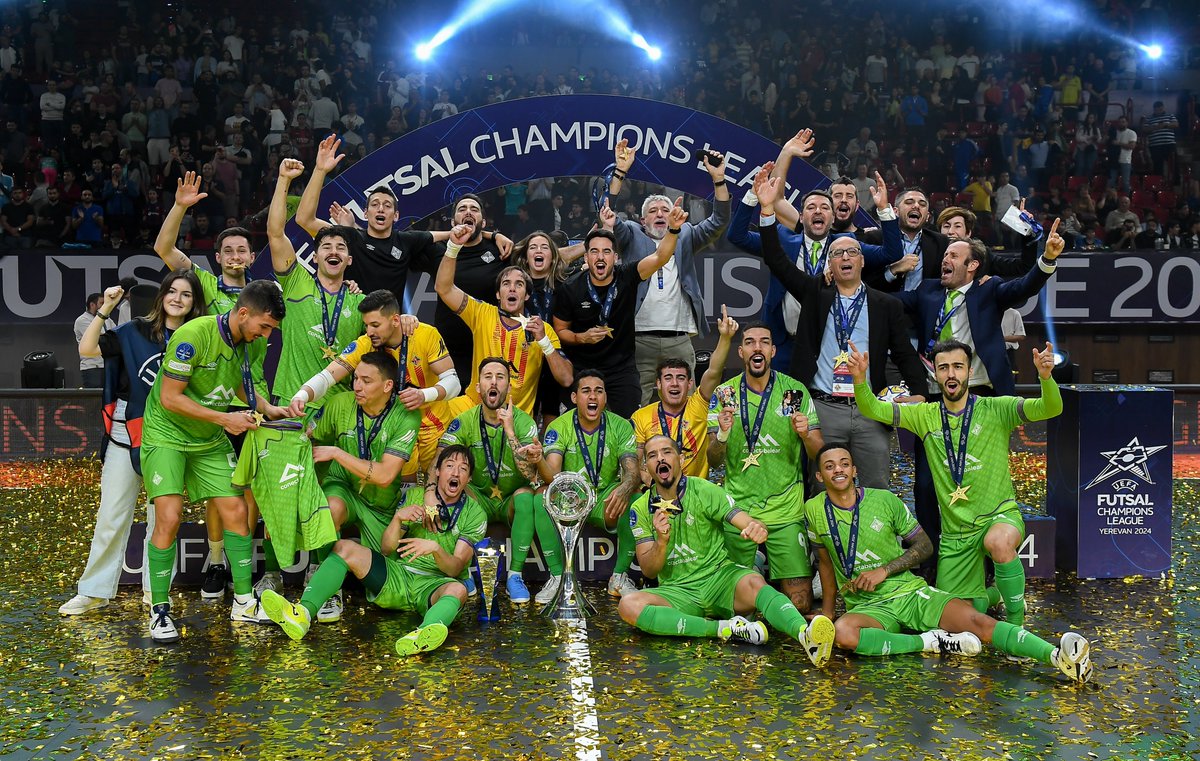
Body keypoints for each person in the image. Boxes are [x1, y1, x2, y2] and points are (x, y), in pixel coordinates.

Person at [805, 444, 1091, 682]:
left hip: (910, 593)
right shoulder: (814, 510)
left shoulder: (884, 500)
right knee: (843, 633)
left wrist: (884, 570)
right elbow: (825, 563)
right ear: (819, 475)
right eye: (830, 466)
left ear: (854, 470)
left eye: (844, 463)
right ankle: (931, 641)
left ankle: (1056, 656)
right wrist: (828, 612)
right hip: (867, 606)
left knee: (979, 621)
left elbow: (925, 545)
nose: (838, 469)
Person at [851, 339, 1064, 629]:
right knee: (959, 617)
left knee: (998, 543)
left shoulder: (996, 408)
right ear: (935, 375)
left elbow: (1050, 408)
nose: (951, 374)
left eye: (957, 367)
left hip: (997, 516)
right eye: (943, 368)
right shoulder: (923, 415)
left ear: (970, 371)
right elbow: (873, 409)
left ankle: (1016, 622)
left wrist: (1046, 377)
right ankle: (995, 595)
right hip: (955, 535)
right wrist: (860, 380)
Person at [754, 171, 927, 488]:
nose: (844, 257)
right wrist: (767, 212)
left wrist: (919, 393)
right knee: (821, 487)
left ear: (863, 261)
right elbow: (776, 260)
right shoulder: (813, 294)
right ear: (829, 265)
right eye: (836, 254)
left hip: (869, 407)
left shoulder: (885, 305)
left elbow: (904, 353)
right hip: (822, 408)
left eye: (852, 253)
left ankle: (875, 538)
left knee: (876, 486)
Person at [141, 280, 288, 643]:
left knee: (236, 511)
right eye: (264, 326)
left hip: (206, 439)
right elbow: (170, 397)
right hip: (167, 435)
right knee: (170, 517)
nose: (265, 335)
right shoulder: (194, 335)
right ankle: (160, 611)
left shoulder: (247, 343)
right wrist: (226, 419)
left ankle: (242, 601)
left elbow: (237, 383)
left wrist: (267, 408)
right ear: (242, 313)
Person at [59, 272, 206, 615]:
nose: (177, 298)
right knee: (111, 515)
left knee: (163, 520)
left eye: (186, 294)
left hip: (171, 439)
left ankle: (156, 595)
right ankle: (94, 590)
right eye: (172, 291)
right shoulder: (134, 330)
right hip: (127, 435)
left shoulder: (199, 337)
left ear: (193, 302)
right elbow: (87, 348)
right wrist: (106, 309)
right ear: (161, 296)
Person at [619, 435, 836, 667]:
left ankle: (806, 634)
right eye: (652, 455)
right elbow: (650, 571)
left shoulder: (704, 489)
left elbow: (745, 521)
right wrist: (661, 542)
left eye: (667, 452)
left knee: (754, 581)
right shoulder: (640, 508)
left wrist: (756, 529)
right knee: (628, 605)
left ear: (680, 459)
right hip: (678, 591)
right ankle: (725, 629)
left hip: (718, 580)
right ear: (646, 467)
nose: (660, 458)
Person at [260, 445, 484, 657]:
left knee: (457, 590)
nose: (456, 472)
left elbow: (455, 568)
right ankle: (303, 614)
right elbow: (387, 549)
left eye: (463, 469)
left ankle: (423, 634)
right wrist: (398, 519)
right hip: (398, 576)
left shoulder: (475, 514)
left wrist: (435, 549)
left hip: (434, 585)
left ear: (469, 478)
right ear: (437, 471)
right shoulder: (415, 496)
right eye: (450, 466)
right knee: (344, 548)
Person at [285, 289, 464, 485]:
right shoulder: (365, 343)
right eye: (367, 325)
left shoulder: (425, 334)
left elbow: (453, 382)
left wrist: (424, 395)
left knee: (439, 484)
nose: (369, 331)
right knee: (405, 485)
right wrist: (302, 395)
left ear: (395, 320)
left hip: (433, 421)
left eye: (375, 325)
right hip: (396, 424)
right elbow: (327, 376)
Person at [707, 322, 824, 611]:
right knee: (737, 607)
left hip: (785, 508)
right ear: (741, 352)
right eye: (749, 342)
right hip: (740, 510)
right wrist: (722, 434)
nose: (757, 347)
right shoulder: (725, 395)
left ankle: (763, 568)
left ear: (772, 351)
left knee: (801, 605)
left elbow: (818, 453)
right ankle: (757, 566)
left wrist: (806, 434)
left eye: (764, 342)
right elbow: (713, 460)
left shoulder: (793, 393)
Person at [606, 139, 732, 405]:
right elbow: (606, 214)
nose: (660, 213)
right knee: (636, 404)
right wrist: (619, 173)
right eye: (653, 211)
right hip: (639, 337)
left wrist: (718, 180)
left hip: (679, 337)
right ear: (643, 221)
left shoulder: (685, 234)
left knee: (687, 406)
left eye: (666, 209)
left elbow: (719, 221)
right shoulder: (631, 234)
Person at [552, 201, 688, 418]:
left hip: (621, 370)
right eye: (594, 252)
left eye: (607, 252)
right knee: (579, 428)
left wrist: (673, 229)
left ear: (615, 257)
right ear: (586, 257)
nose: (600, 257)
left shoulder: (627, 275)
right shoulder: (571, 288)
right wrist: (581, 338)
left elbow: (660, 257)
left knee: (629, 425)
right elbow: (559, 332)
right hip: (581, 368)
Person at [295, 135, 451, 311]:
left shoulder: (406, 240)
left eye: (387, 205)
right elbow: (304, 219)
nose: (381, 209)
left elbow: (443, 235)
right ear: (365, 213)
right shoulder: (351, 237)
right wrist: (319, 170)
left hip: (390, 328)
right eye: (375, 205)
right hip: (352, 323)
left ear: (396, 215)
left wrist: (463, 233)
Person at [437, 358, 546, 604]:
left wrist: (509, 430)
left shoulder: (523, 422)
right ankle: (462, 571)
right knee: (453, 488)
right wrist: (431, 491)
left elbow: (531, 476)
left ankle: (515, 576)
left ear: (509, 387)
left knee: (526, 495)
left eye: (500, 377)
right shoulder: (464, 420)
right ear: (478, 386)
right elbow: (441, 460)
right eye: (487, 376)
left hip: (509, 499)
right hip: (480, 499)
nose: (493, 381)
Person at [435, 227, 573, 415]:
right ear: (499, 294)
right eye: (506, 284)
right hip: (474, 409)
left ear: (526, 296)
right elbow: (444, 288)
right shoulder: (481, 312)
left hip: (516, 417)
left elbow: (566, 379)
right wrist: (453, 248)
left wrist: (544, 342)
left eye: (519, 284)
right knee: (434, 414)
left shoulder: (542, 330)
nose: (512, 289)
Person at [267, 158, 364, 417]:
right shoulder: (296, 281)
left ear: (349, 260)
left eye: (341, 247)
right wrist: (285, 180)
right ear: (314, 257)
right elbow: (276, 233)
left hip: (339, 409)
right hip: (290, 400)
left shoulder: (360, 300)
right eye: (326, 247)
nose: (334, 251)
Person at [537, 369, 641, 601]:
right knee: (540, 497)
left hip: (605, 500)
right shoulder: (559, 426)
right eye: (586, 391)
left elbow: (632, 470)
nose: (593, 397)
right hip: (570, 499)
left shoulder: (621, 426)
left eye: (599, 391)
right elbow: (552, 475)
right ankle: (557, 578)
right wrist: (538, 460)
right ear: (574, 398)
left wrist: (624, 489)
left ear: (605, 397)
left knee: (635, 497)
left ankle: (619, 577)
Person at [632, 305, 736, 483]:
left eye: (680, 378)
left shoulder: (698, 405)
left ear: (689, 384)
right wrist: (652, 483)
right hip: (656, 494)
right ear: (658, 384)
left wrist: (725, 338)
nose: (674, 383)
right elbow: (635, 463)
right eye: (668, 378)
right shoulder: (641, 416)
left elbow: (713, 371)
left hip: (695, 494)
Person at [154, 172, 256, 315]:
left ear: (252, 257)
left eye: (241, 250)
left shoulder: (262, 294)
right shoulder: (205, 283)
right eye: (228, 251)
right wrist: (179, 206)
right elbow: (163, 249)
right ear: (218, 257)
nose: (235, 257)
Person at [511, 230, 577, 426]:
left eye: (544, 247)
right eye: (533, 247)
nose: (538, 251)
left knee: (552, 418)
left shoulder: (566, 285)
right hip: (524, 359)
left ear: (553, 256)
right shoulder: (515, 285)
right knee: (524, 421)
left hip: (556, 358)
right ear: (525, 256)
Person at [75, 292, 112, 388]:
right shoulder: (82, 320)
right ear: (92, 305)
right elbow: (98, 338)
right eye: (101, 303)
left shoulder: (107, 319)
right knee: (95, 398)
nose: (104, 306)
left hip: (107, 365)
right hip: (92, 367)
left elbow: (117, 335)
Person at [1001, 309, 1025, 379]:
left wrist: (1001, 339)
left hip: (1008, 352)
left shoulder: (1014, 313)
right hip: (991, 351)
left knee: (1010, 378)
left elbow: (1021, 336)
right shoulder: (989, 312)